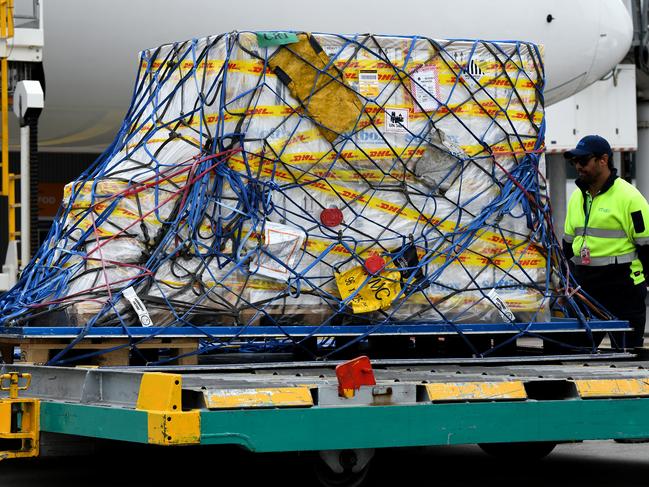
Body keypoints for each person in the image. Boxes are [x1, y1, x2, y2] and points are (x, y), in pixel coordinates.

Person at [563, 135, 649, 351]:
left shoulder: (630, 198)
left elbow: (647, 248)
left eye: (583, 161)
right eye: (574, 162)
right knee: (576, 356)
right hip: (586, 291)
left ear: (603, 160)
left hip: (623, 290)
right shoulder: (576, 198)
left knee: (627, 358)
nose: (578, 167)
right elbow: (567, 245)